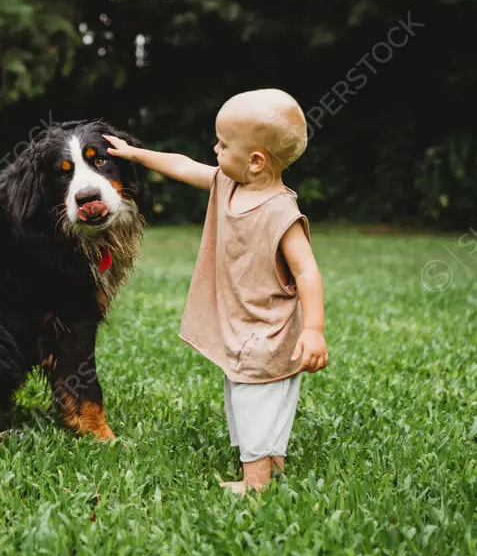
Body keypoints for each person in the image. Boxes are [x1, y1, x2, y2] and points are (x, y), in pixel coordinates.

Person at [104, 88, 328, 495]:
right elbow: (183, 165)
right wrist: (136, 155)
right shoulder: (227, 182)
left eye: (223, 144)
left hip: (269, 328)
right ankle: (271, 464)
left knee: (255, 400)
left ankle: (255, 482)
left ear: (256, 161)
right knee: (251, 397)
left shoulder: (281, 211)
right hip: (239, 324)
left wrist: (313, 329)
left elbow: (308, 271)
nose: (214, 149)